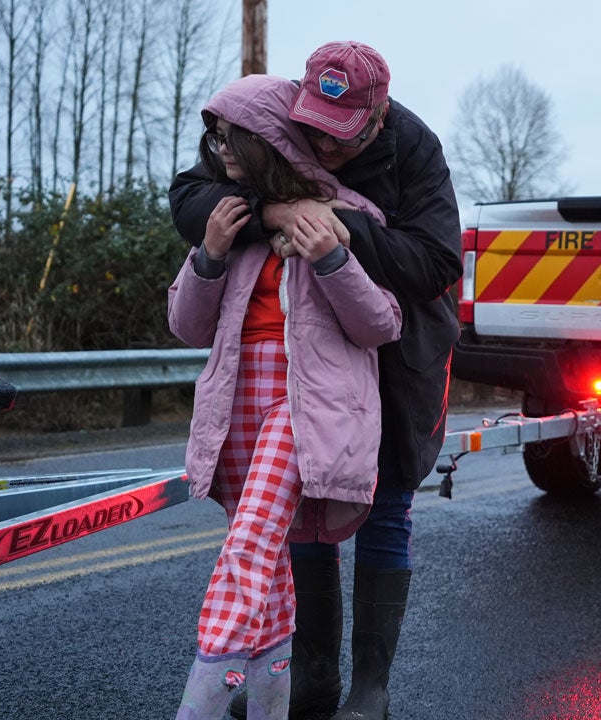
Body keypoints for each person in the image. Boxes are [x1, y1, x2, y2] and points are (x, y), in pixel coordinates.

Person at [170, 41, 462, 720]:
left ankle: (371, 689)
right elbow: (192, 193)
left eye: (342, 137)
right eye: (313, 131)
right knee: (307, 510)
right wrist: (271, 214)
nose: (323, 147)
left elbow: (435, 263)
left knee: (385, 501)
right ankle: (311, 676)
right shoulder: (281, 118)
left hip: (400, 346)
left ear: (378, 114)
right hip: (310, 349)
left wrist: (342, 231)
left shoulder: (416, 147)